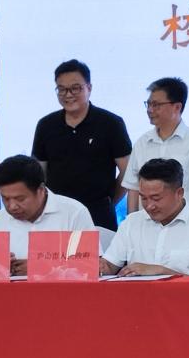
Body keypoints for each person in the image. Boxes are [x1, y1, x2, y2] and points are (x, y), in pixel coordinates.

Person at [31, 59, 132, 231]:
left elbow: (127, 171)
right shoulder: (46, 125)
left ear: (89, 88)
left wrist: (109, 201)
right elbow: (38, 174)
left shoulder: (111, 123)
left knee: (99, 250)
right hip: (56, 215)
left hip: (98, 213)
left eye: (75, 88)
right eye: (61, 89)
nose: (68, 94)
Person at [101, 158, 189, 277]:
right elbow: (110, 266)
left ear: (179, 193)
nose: (149, 206)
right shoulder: (131, 222)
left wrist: (161, 271)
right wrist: (100, 267)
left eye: (156, 198)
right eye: (143, 198)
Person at [122, 77, 189, 219]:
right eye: (148, 104)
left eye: (156, 105)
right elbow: (133, 188)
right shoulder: (142, 143)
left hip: (188, 224)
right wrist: (131, 223)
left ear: (177, 107)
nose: (150, 110)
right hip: (148, 224)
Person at [0, 155, 95, 276]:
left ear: (41, 190)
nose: (12, 206)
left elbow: (90, 265)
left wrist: (43, 268)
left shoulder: (74, 213)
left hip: (61, 287)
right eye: (6, 199)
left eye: (20, 199)